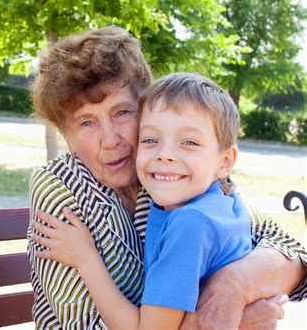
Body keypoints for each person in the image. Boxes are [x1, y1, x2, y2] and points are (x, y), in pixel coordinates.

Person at [27, 26, 306, 329]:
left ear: (145, 110)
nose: (110, 140)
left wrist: (234, 286)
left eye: (122, 112)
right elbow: (83, 324)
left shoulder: (171, 179)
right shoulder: (58, 186)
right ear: (66, 136)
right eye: (86, 122)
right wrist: (217, 323)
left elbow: (288, 249)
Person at [31, 72, 256, 329]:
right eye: (151, 140)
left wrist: (85, 258)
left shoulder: (190, 224)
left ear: (225, 162)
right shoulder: (224, 201)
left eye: (189, 142)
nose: (165, 155)